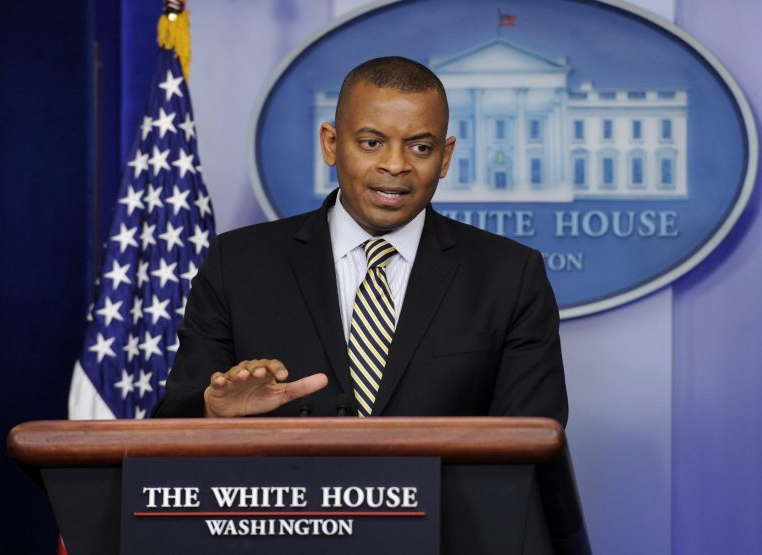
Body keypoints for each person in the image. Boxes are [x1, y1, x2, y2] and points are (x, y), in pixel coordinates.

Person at [152, 56, 567, 424]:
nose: (395, 165)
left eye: (421, 147)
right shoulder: (238, 264)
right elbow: (173, 417)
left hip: (444, 494)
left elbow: (530, 441)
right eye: (372, 143)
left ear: (445, 157)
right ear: (331, 144)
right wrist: (212, 411)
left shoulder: (510, 276)